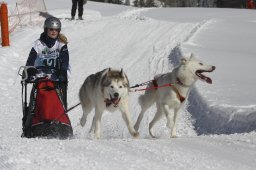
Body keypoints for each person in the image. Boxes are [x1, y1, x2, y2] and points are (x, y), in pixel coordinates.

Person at [25, 17, 70, 109]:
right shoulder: (38, 44)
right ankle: (30, 116)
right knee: (34, 101)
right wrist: (29, 70)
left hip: (56, 77)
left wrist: (63, 71)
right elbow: (31, 59)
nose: (54, 32)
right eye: (51, 29)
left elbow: (65, 60)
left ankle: (63, 110)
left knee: (59, 101)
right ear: (46, 30)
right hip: (40, 77)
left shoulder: (61, 44)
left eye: (56, 30)